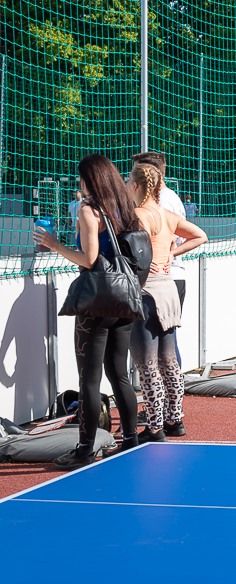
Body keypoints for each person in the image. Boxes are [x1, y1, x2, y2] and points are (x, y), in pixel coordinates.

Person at [33, 155, 143, 469]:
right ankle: (130, 440)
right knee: (119, 374)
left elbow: (89, 259)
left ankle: (84, 450)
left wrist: (54, 244)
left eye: (81, 177)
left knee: (89, 381)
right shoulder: (125, 206)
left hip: (97, 301)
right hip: (124, 299)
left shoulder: (88, 209)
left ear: (89, 179)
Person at [126, 162, 207, 441]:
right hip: (168, 288)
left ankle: (154, 426)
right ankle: (175, 419)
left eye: (128, 181)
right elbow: (200, 236)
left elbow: (130, 254)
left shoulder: (137, 216)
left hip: (146, 291)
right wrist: (171, 254)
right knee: (169, 360)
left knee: (147, 364)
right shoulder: (167, 215)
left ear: (136, 185)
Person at [132, 152, 189, 366]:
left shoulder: (161, 201)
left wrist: (169, 254)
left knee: (161, 351)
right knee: (166, 347)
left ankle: (169, 388)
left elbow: (163, 239)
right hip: (169, 276)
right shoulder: (169, 197)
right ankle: (173, 387)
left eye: (136, 171)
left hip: (162, 278)